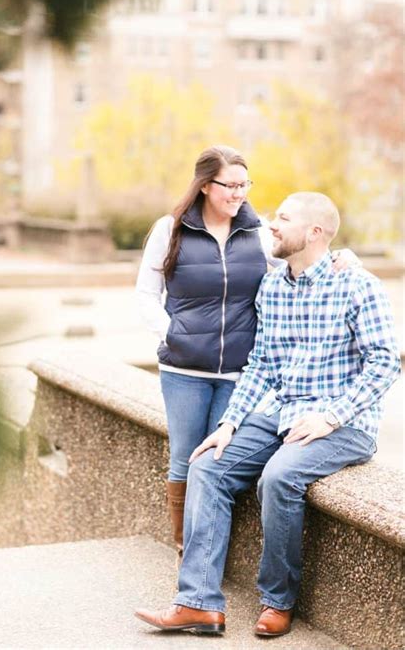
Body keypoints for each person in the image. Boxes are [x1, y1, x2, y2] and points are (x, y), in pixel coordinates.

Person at [135, 191, 400, 637]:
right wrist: (229, 424)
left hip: (344, 425)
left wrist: (330, 418)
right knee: (206, 465)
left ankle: (278, 600)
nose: (271, 225)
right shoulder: (273, 287)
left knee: (278, 478)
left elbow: (385, 362)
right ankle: (198, 603)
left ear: (315, 232)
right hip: (281, 413)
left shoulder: (359, 285)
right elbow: (261, 366)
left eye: (283, 218)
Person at [136, 147, 358, 560]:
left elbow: (297, 268)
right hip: (184, 369)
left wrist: (342, 256)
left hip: (240, 372)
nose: (240, 194)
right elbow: (146, 296)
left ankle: (221, 551)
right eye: (231, 185)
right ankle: (187, 551)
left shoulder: (256, 233)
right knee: (186, 457)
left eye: (245, 185)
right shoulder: (170, 230)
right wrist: (174, 334)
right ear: (205, 186)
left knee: (221, 456)